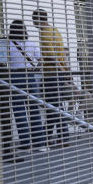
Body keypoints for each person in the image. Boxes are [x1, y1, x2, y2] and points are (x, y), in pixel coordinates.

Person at [3, 19, 45, 155]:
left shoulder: (8, 44)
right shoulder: (31, 44)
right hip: (30, 77)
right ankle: (39, 143)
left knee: (19, 109)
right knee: (34, 109)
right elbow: (41, 61)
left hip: (15, 77)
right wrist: (35, 71)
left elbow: (3, 61)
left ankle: (26, 143)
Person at [33, 8, 71, 147]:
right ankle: (49, 136)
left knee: (53, 106)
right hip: (59, 73)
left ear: (37, 20)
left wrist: (61, 69)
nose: (33, 24)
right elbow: (62, 53)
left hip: (52, 74)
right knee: (54, 106)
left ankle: (62, 137)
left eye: (34, 20)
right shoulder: (56, 31)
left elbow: (50, 55)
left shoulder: (44, 33)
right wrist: (66, 69)